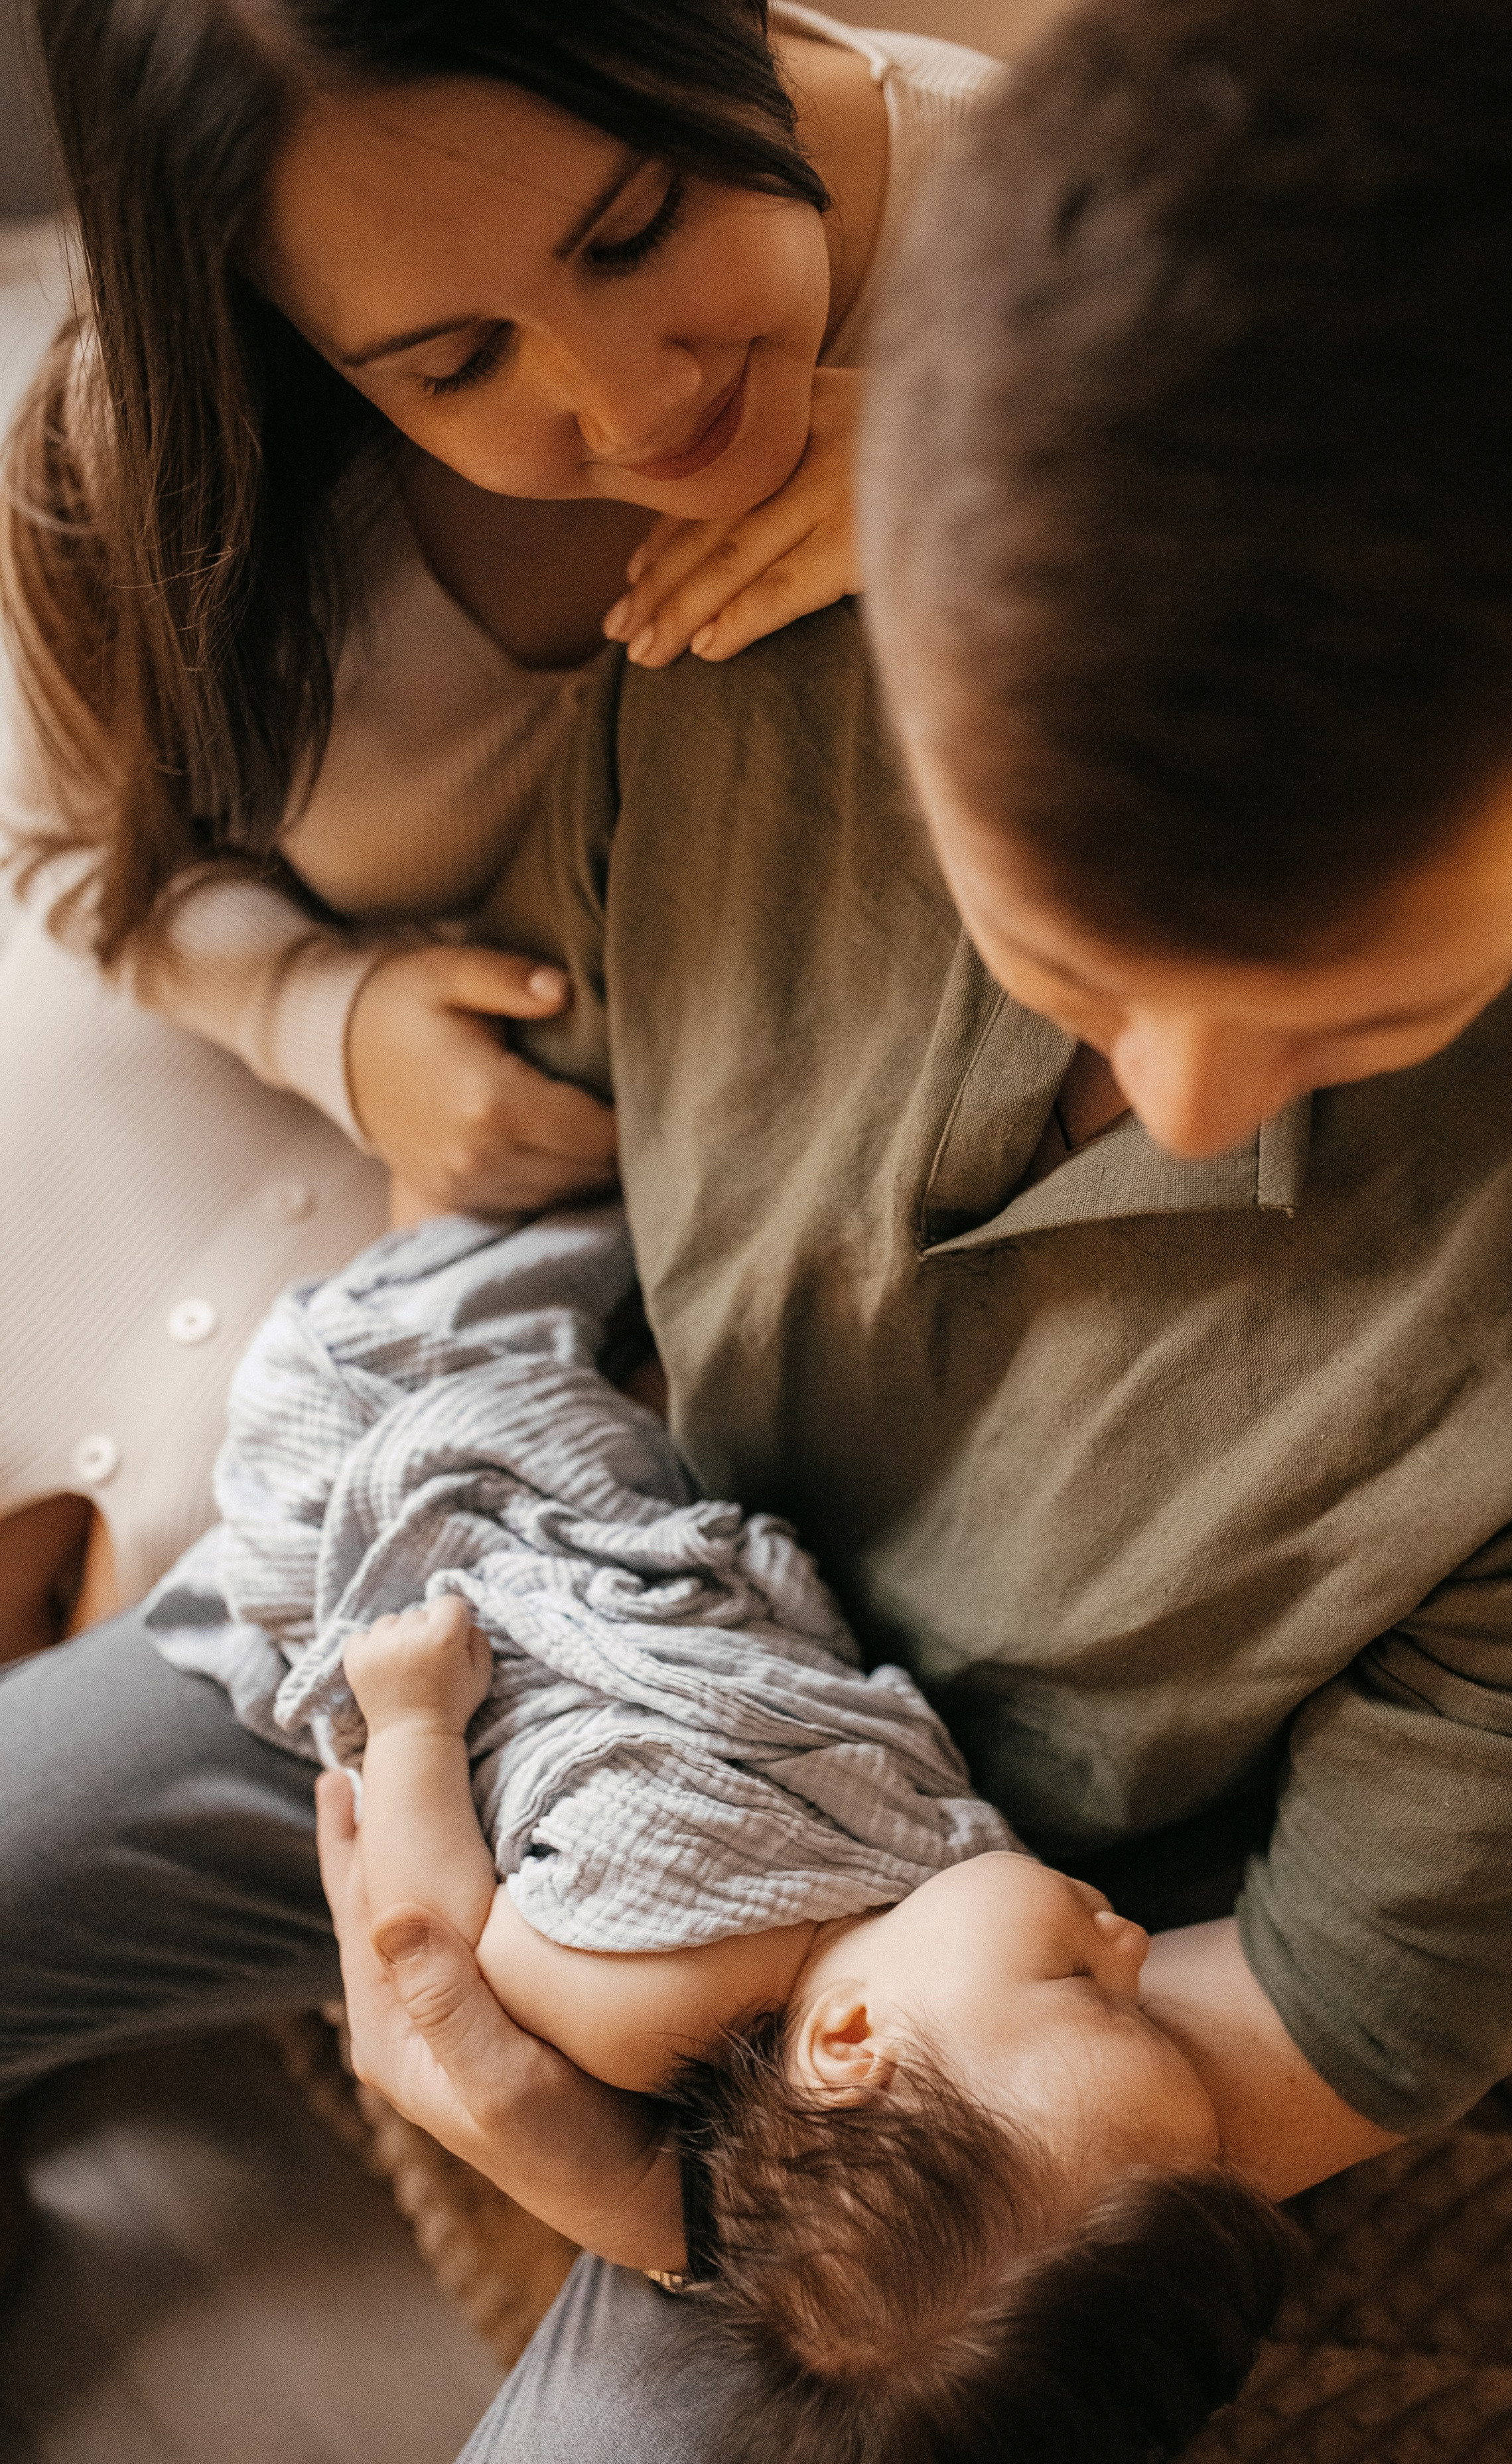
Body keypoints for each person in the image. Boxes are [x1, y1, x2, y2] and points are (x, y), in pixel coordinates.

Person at [7, 0, 1512, 2464]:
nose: (1215, 1105)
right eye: (1072, 941)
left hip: (974, 2028)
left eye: (1370, 987)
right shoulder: (751, 615)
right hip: (560, 1584)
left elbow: (1303, 2034)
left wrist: (630, 2162)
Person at [0, 0, 993, 1651]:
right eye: (453, 362)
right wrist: (329, 1016)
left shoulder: (1064, 231)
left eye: (636, 229)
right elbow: (64, 848)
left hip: (598, 1309)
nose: (627, 406)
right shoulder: (148, 457)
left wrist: (1044, 459)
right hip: (183, 1097)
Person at [141, 1188, 1290, 2464]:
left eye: (1092, 1993)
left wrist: (406, 1721)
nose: (1136, 1946)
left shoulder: (653, 1980)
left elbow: (430, 1932)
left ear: (854, 2041)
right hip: (634, 1529)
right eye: (1142, 2001)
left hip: (442, 1545)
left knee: (468, 1304)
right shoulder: (919, 1905)